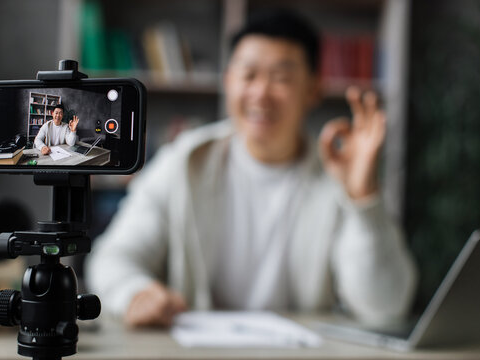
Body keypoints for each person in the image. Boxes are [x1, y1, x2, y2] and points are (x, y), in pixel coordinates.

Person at [85, 10, 417, 328]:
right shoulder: (184, 161)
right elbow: (111, 259)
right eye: (248, 75)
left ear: (314, 89)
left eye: (281, 78)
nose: (260, 93)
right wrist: (135, 293)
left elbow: (385, 307)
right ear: (228, 81)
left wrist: (363, 200)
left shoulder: (337, 176)